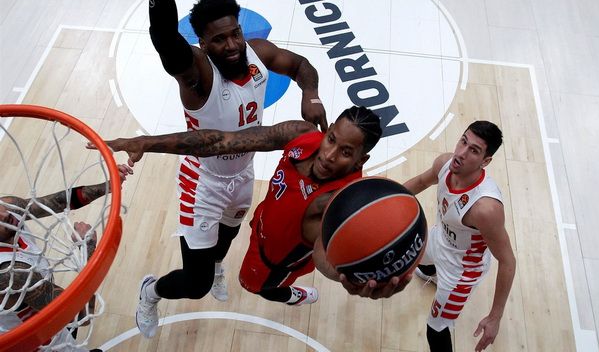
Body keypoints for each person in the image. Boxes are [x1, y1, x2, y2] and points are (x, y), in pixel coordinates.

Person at [101, 106, 410, 338]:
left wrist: (347, 279)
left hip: (276, 260)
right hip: (259, 223)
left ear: (360, 161)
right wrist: (146, 142)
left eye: (345, 152)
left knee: (257, 287)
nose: (329, 155)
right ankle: (223, 272)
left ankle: (290, 294)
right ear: (327, 131)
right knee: (224, 243)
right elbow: (222, 141)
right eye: (331, 139)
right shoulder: (300, 134)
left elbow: (324, 256)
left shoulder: (341, 202)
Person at [147, 0, 328, 303]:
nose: (232, 45)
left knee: (228, 237)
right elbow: (165, 38)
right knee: (196, 284)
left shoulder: (257, 52)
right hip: (203, 180)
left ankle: (216, 265)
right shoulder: (198, 74)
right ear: (203, 44)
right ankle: (151, 291)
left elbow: (300, 65)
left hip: (243, 172)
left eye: (235, 34)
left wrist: (312, 93)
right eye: (219, 40)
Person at [403, 121, 516, 352]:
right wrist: (383, 198)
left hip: (460, 272)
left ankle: (440, 281)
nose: (461, 153)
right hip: (439, 239)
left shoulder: (486, 208)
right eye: (463, 141)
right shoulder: (445, 163)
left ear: (485, 161)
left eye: (473, 150)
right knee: (411, 254)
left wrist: (495, 317)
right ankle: (432, 273)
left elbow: (507, 261)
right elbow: (421, 182)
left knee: (435, 329)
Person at [0, 164, 132, 351]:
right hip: (42, 345)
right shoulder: (10, 273)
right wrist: (88, 248)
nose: (4, 214)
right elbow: (82, 315)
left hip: (47, 318)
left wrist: (107, 186)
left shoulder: (8, 209)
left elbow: (58, 202)